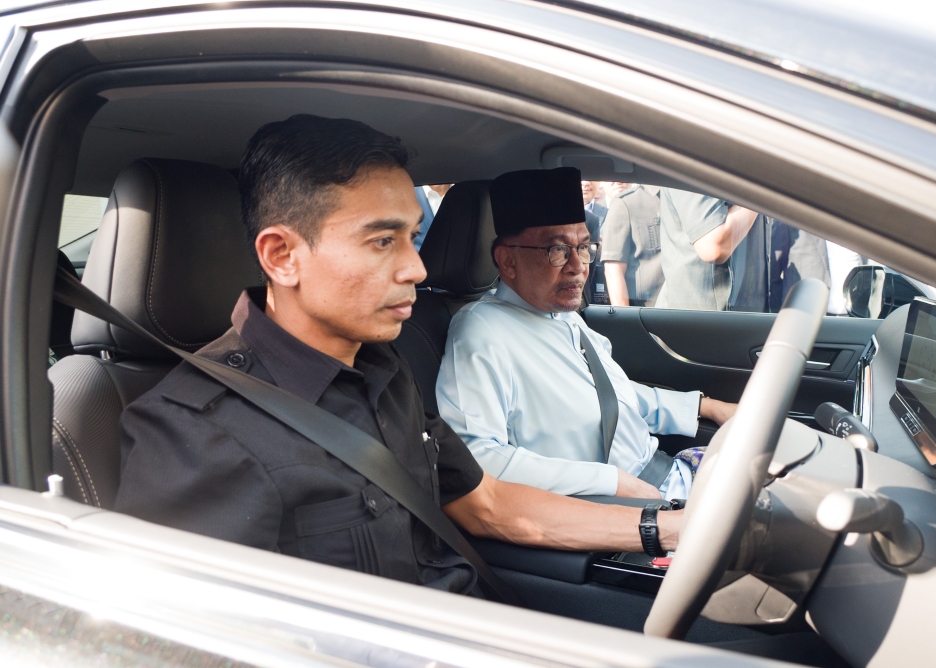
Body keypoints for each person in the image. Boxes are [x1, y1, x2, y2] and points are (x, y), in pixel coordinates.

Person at [114, 115, 685, 596]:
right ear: (282, 256)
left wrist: (668, 529)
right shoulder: (192, 432)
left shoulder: (383, 372)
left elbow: (488, 503)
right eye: (383, 241)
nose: (416, 268)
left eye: (413, 237)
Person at [436, 168, 737, 502]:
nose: (578, 266)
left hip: (668, 476)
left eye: (582, 246)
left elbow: (612, 393)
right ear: (507, 261)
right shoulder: (481, 331)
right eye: (557, 251)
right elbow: (478, 457)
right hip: (630, 505)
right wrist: (609, 482)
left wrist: (705, 407)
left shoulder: (562, 315)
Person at [655, 189, 767, 311]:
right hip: (700, 318)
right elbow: (713, 246)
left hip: (739, 315)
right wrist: (761, 193)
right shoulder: (697, 169)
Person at [601, 184, 665, 306]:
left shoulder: (686, 198)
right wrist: (624, 318)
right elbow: (613, 269)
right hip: (647, 310)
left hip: (688, 306)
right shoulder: (626, 203)